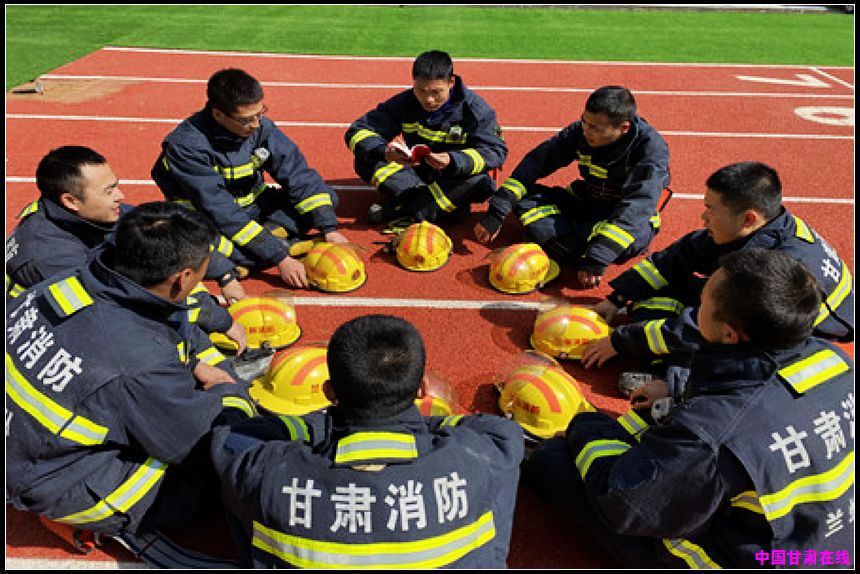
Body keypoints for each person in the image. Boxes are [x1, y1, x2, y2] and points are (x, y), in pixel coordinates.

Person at [523, 249, 854, 568]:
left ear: (729, 333)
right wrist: (677, 390)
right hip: (831, 549)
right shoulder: (833, 359)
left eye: (703, 304)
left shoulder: (712, 432)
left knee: (554, 463)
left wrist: (583, 424)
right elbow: (764, 398)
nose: (694, 310)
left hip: (764, 559)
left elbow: (628, 504)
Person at [6, 202, 257, 544]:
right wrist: (231, 394)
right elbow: (194, 443)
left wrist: (189, 363)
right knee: (221, 470)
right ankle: (77, 516)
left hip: (24, 442)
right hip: (52, 477)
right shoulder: (137, 362)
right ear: (182, 278)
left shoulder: (69, 281)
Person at [211, 314, 524, 568]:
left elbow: (233, 438)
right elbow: (501, 430)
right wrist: (415, 425)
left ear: (330, 392)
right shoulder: (481, 456)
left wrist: (322, 423)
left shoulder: (268, 472)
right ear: (421, 389)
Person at [581, 161, 854, 400]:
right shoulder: (764, 227)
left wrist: (620, 341)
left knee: (723, 339)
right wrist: (617, 298)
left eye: (711, 210)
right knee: (661, 295)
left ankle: (678, 387)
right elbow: (679, 255)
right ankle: (663, 364)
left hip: (799, 335)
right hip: (764, 304)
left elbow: (707, 325)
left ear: (748, 218)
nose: (703, 217)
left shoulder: (770, 268)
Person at [6, 145, 248, 351]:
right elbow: (125, 303)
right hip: (45, 337)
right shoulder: (50, 254)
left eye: (116, 185)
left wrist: (225, 275)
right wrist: (216, 320)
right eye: (109, 191)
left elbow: (166, 235)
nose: (120, 196)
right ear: (71, 201)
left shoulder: (92, 215)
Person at [151, 68, 349, 289]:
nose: (255, 125)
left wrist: (329, 229)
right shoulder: (186, 145)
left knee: (323, 199)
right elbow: (220, 210)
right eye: (245, 120)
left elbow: (297, 173)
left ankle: (255, 252)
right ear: (218, 114)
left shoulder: (260, 127)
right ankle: (274, 245)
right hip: (208, 219)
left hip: (256, 205)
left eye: (260, 113)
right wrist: (281, 258)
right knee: (192, 243)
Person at [474, 85, 670, 289]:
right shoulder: (580, 132)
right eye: (584, 121)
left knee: (632, 238)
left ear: (624, 128)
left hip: (621, 214)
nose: (586, 131)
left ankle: (561, 245)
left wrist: (598, 257)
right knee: (524, 195)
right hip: (587, 201)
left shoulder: (651, 151)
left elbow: (637, 207)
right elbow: (536, 162)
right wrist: (498, 210)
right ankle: (573, 248)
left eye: (595, 128)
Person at [345, 50, 507, 227]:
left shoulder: (476, 110)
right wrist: (384, 152)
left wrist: (453, 160)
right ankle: (434, 207)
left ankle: (404, 208)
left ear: (451, 83)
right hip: (416, 173)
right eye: (421, 90)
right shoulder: (404, 103)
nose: (428, 99)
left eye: (436, 92)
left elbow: (495, 151)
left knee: (480, 183)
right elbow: (359, 130)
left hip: (454, 176)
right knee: (366, 158)